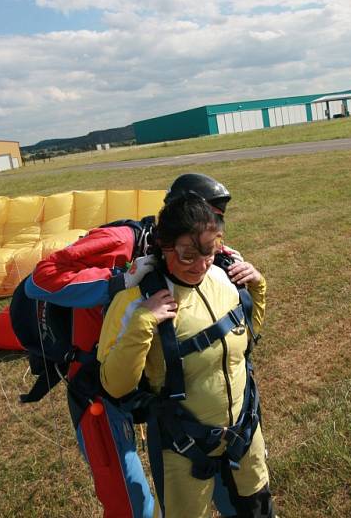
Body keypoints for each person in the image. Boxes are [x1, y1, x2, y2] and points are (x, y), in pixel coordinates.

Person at [17, 174, 240, 518]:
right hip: (97, 387)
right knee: (131, 502)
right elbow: (40, 280)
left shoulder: (191, 250)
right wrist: (118, 281)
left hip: (147, 383)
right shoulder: (121, 241)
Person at [97, 192, 275, 517]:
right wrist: (143, 322)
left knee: (259, 510)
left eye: (209, 250)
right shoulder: (135, 303)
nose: (200, 264)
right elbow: (115, 385)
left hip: (245, 433)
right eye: (187, 254)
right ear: (165, 248)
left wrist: (258, 289)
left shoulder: (223, 279)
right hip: (183, 448)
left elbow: (246, 341)